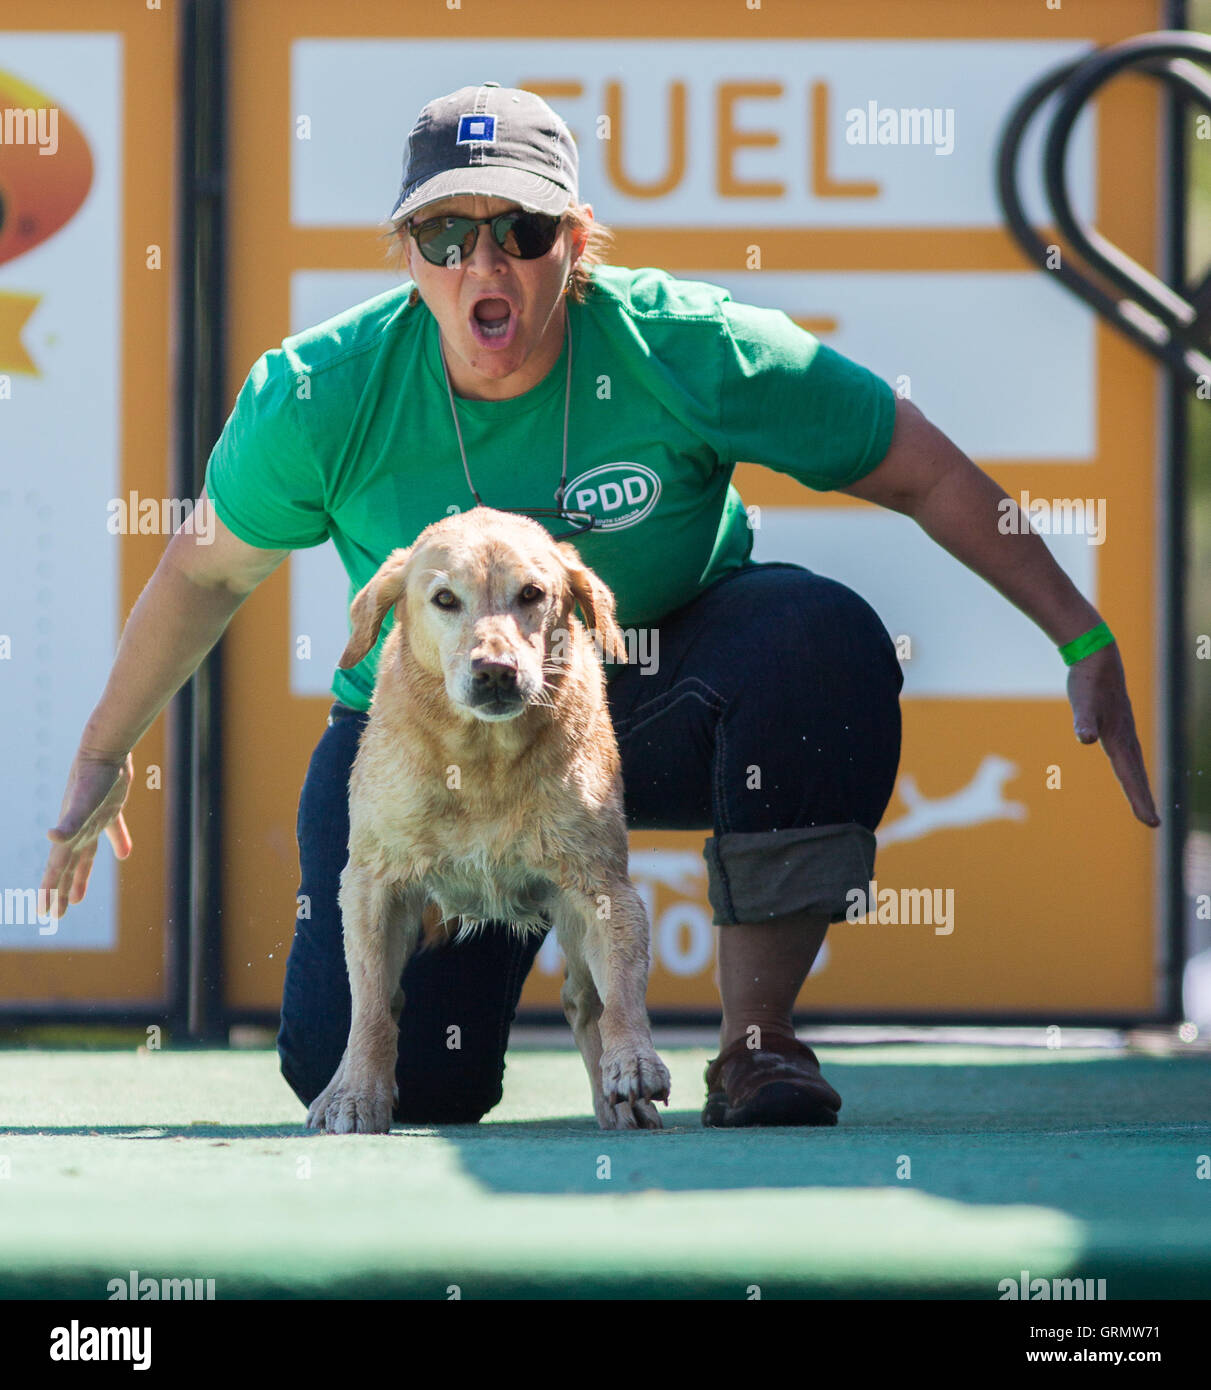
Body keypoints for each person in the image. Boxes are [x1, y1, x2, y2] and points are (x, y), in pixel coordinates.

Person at [41, 83, 1160, 1128]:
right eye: (446, 235)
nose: (484, 258)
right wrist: (104, 751)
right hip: (420, 745)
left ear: (573, 243)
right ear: (410, 256)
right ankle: (474, 977)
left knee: (817, 641)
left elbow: (915, 467)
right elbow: (205, 571)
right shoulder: (318, 393)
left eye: (520, 231)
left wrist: (1079, 631)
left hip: (647, 695)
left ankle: (756, 1042)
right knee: (387, 1074)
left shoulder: (687, 344)